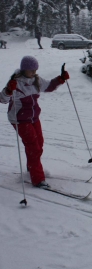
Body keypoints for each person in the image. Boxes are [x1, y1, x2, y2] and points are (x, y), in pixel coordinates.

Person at [0, 56, 70, 187]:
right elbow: (2, 99)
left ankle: (32, 167)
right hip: (19, 119)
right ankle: (37, 179)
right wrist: (9, 90)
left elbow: (49, 86)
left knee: (39, 143)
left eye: (35, 69)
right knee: (33, 146)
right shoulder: (16, 82)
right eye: (31, 70)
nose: (33, 72)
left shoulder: (36, 80)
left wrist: (60, 79)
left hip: (33, 117)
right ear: (24, 69)